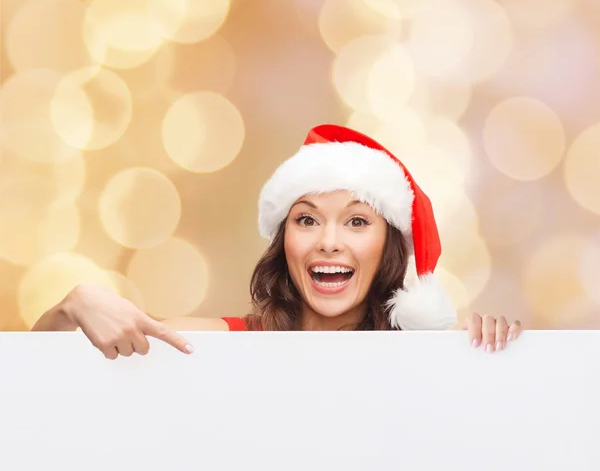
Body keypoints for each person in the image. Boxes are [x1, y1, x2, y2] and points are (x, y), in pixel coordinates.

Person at [32, 124, 522, 358]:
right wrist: (71, 307)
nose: (329, 242)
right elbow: (32, 388)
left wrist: (499, 356)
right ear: (283, 240)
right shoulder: (209, 345)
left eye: (356, 222)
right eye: (307, 220)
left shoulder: (426, 361)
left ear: (388, 249)